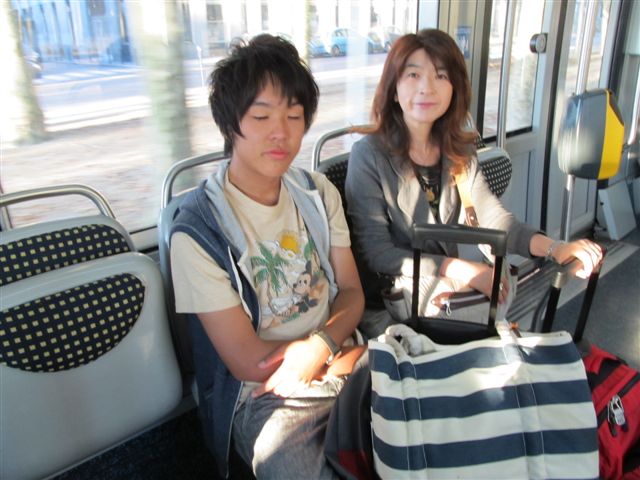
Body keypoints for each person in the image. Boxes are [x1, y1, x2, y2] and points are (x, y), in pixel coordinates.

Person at [170, 34, 365, 479]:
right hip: (267, 394)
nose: (282, 132)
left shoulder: (317, 194)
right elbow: (247, 361)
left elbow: (352, 292)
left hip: (340, 354)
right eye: (261, 116)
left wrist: (324, 345)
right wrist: (331, 357)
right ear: (229, 123)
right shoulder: (198, 232)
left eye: (294, 116)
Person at [345, 29, 603, 321]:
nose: (427, 88)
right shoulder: (369, 156)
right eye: (413, 75)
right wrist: (462, 270)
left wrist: (555, 248)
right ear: (394, 89)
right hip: (390, 306)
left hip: (444, 301)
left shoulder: (458, 150)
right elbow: (377, 252)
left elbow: (493, 218)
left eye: (441, 76)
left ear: (455, 88)